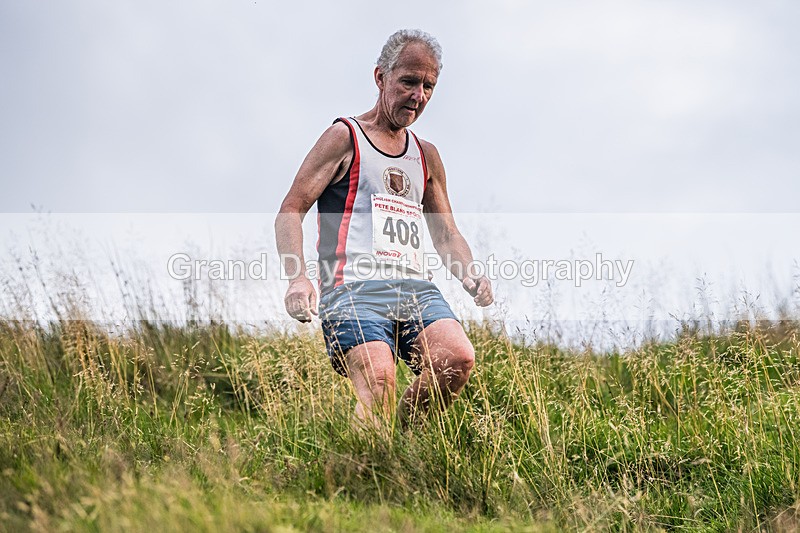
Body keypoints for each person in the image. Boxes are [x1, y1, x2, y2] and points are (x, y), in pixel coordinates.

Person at [275, 29, 493, 428]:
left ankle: (403, 453)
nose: (419, 95)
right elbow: (291, 209)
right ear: (381, 77)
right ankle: (360, 474)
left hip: (414, 289)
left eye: (429, 86)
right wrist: (297, 278)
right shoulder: (345, 137)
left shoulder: (426, 156)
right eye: (409, 82)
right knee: (379, 382)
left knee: (456, 359)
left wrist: (470, 272)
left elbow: (446, 234)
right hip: (351, 288)